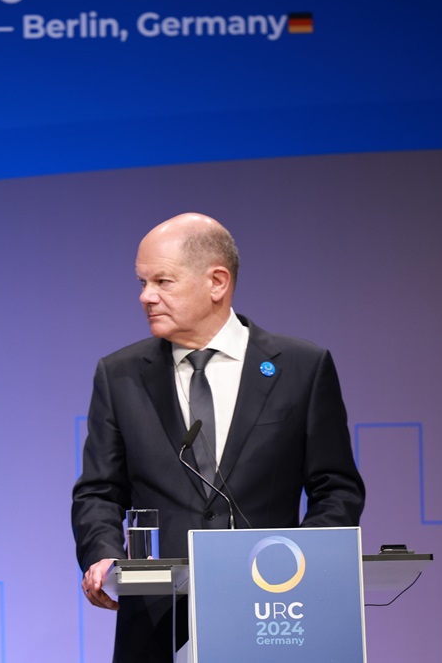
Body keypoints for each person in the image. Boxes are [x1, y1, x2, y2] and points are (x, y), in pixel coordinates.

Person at [71, 213, 364, 662]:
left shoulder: (302, 368)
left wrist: (302, 566)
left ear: (217, 282)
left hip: (275, 614)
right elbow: (98, 490)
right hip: (157, 623)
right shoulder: (120, 375)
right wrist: (105, 555)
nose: (146, 296)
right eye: (143, 282)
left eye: (162, 281)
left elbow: (336, 489)